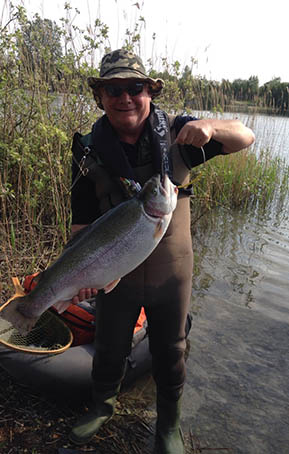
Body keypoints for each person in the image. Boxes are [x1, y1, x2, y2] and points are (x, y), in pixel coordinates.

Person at [68, 48, 255, 453]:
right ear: (100, 97)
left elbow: (245, 135)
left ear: (149, 92)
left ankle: (169, 425)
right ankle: (103, 405)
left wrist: (208, 125)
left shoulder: (179, 134)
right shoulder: (86, 149)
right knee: (110, 346)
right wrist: (80, 278)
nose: (125, 98)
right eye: (113, 90)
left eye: (134, 87)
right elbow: (81, 224)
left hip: (172, 275)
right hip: (114, 271)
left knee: (172, 351)